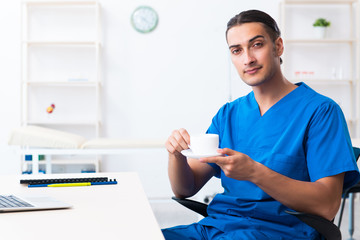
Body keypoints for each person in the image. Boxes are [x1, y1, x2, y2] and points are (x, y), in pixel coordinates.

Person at [163, 9, 360, 240]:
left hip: (278, 232)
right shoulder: (228, 114)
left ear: (278, 46)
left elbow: (327, 205)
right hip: (217, 228)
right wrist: (175, 155)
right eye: (237, 50)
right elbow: (185, 189)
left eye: (256, 45)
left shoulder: (321, 112)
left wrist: (255, 172)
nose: (247, 59)